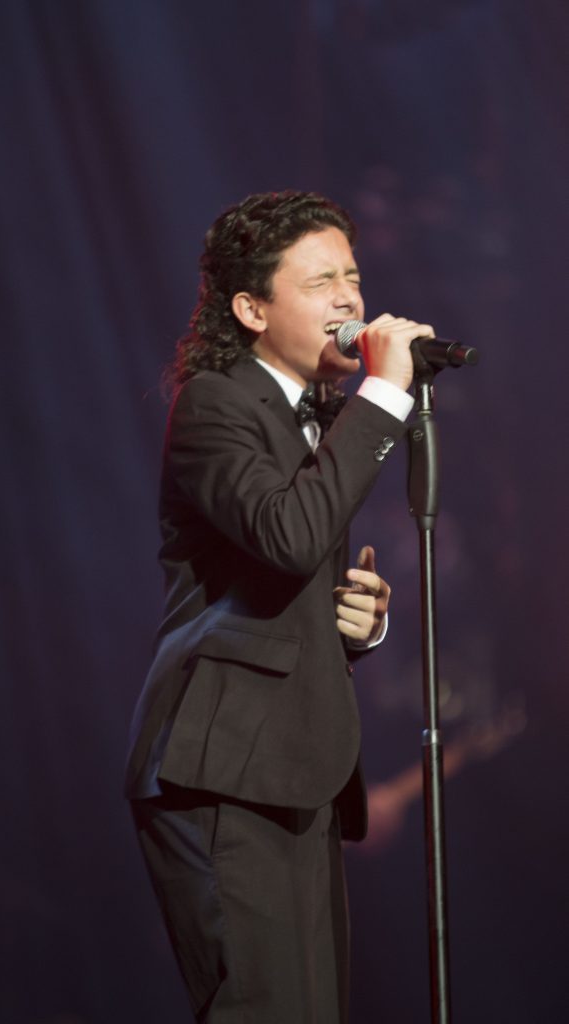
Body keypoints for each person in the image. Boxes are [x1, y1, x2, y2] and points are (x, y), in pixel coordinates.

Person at [125, 190, 433, 1023]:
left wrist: (356, 626)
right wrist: (385, 394)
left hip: (293, 763)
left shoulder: (314, 417)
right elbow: (289, 534)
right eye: (320, 281)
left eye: (353, 277)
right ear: (252, 309)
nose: (348, 299)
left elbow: (278, 578)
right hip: (223, 768)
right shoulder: (216, 402)